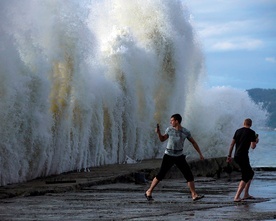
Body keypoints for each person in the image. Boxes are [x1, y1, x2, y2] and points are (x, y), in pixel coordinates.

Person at [145, 113, 205, 201]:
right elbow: (162, 139)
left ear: (177, 121)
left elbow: (194, 142)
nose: (170, 122)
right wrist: (158, 133)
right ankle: (149, 191)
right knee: (161, 174)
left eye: (172, 120)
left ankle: (194, 195)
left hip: (179, 156)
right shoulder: (169, 130)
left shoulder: (185, 131)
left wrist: (200, 154)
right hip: (168, 155)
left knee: (189, 175)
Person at [226, 118, 259, 202]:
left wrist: (229, 156)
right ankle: (237, 196)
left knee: (250, 173)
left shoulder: (238, 131)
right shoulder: (252, 132)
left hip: (237, 155)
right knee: (246, 175)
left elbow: (232, 144)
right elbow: (253, 146)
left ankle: (246, 194)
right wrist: (256, 141)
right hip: (243, 156)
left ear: (243, 123)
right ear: (250, 124)